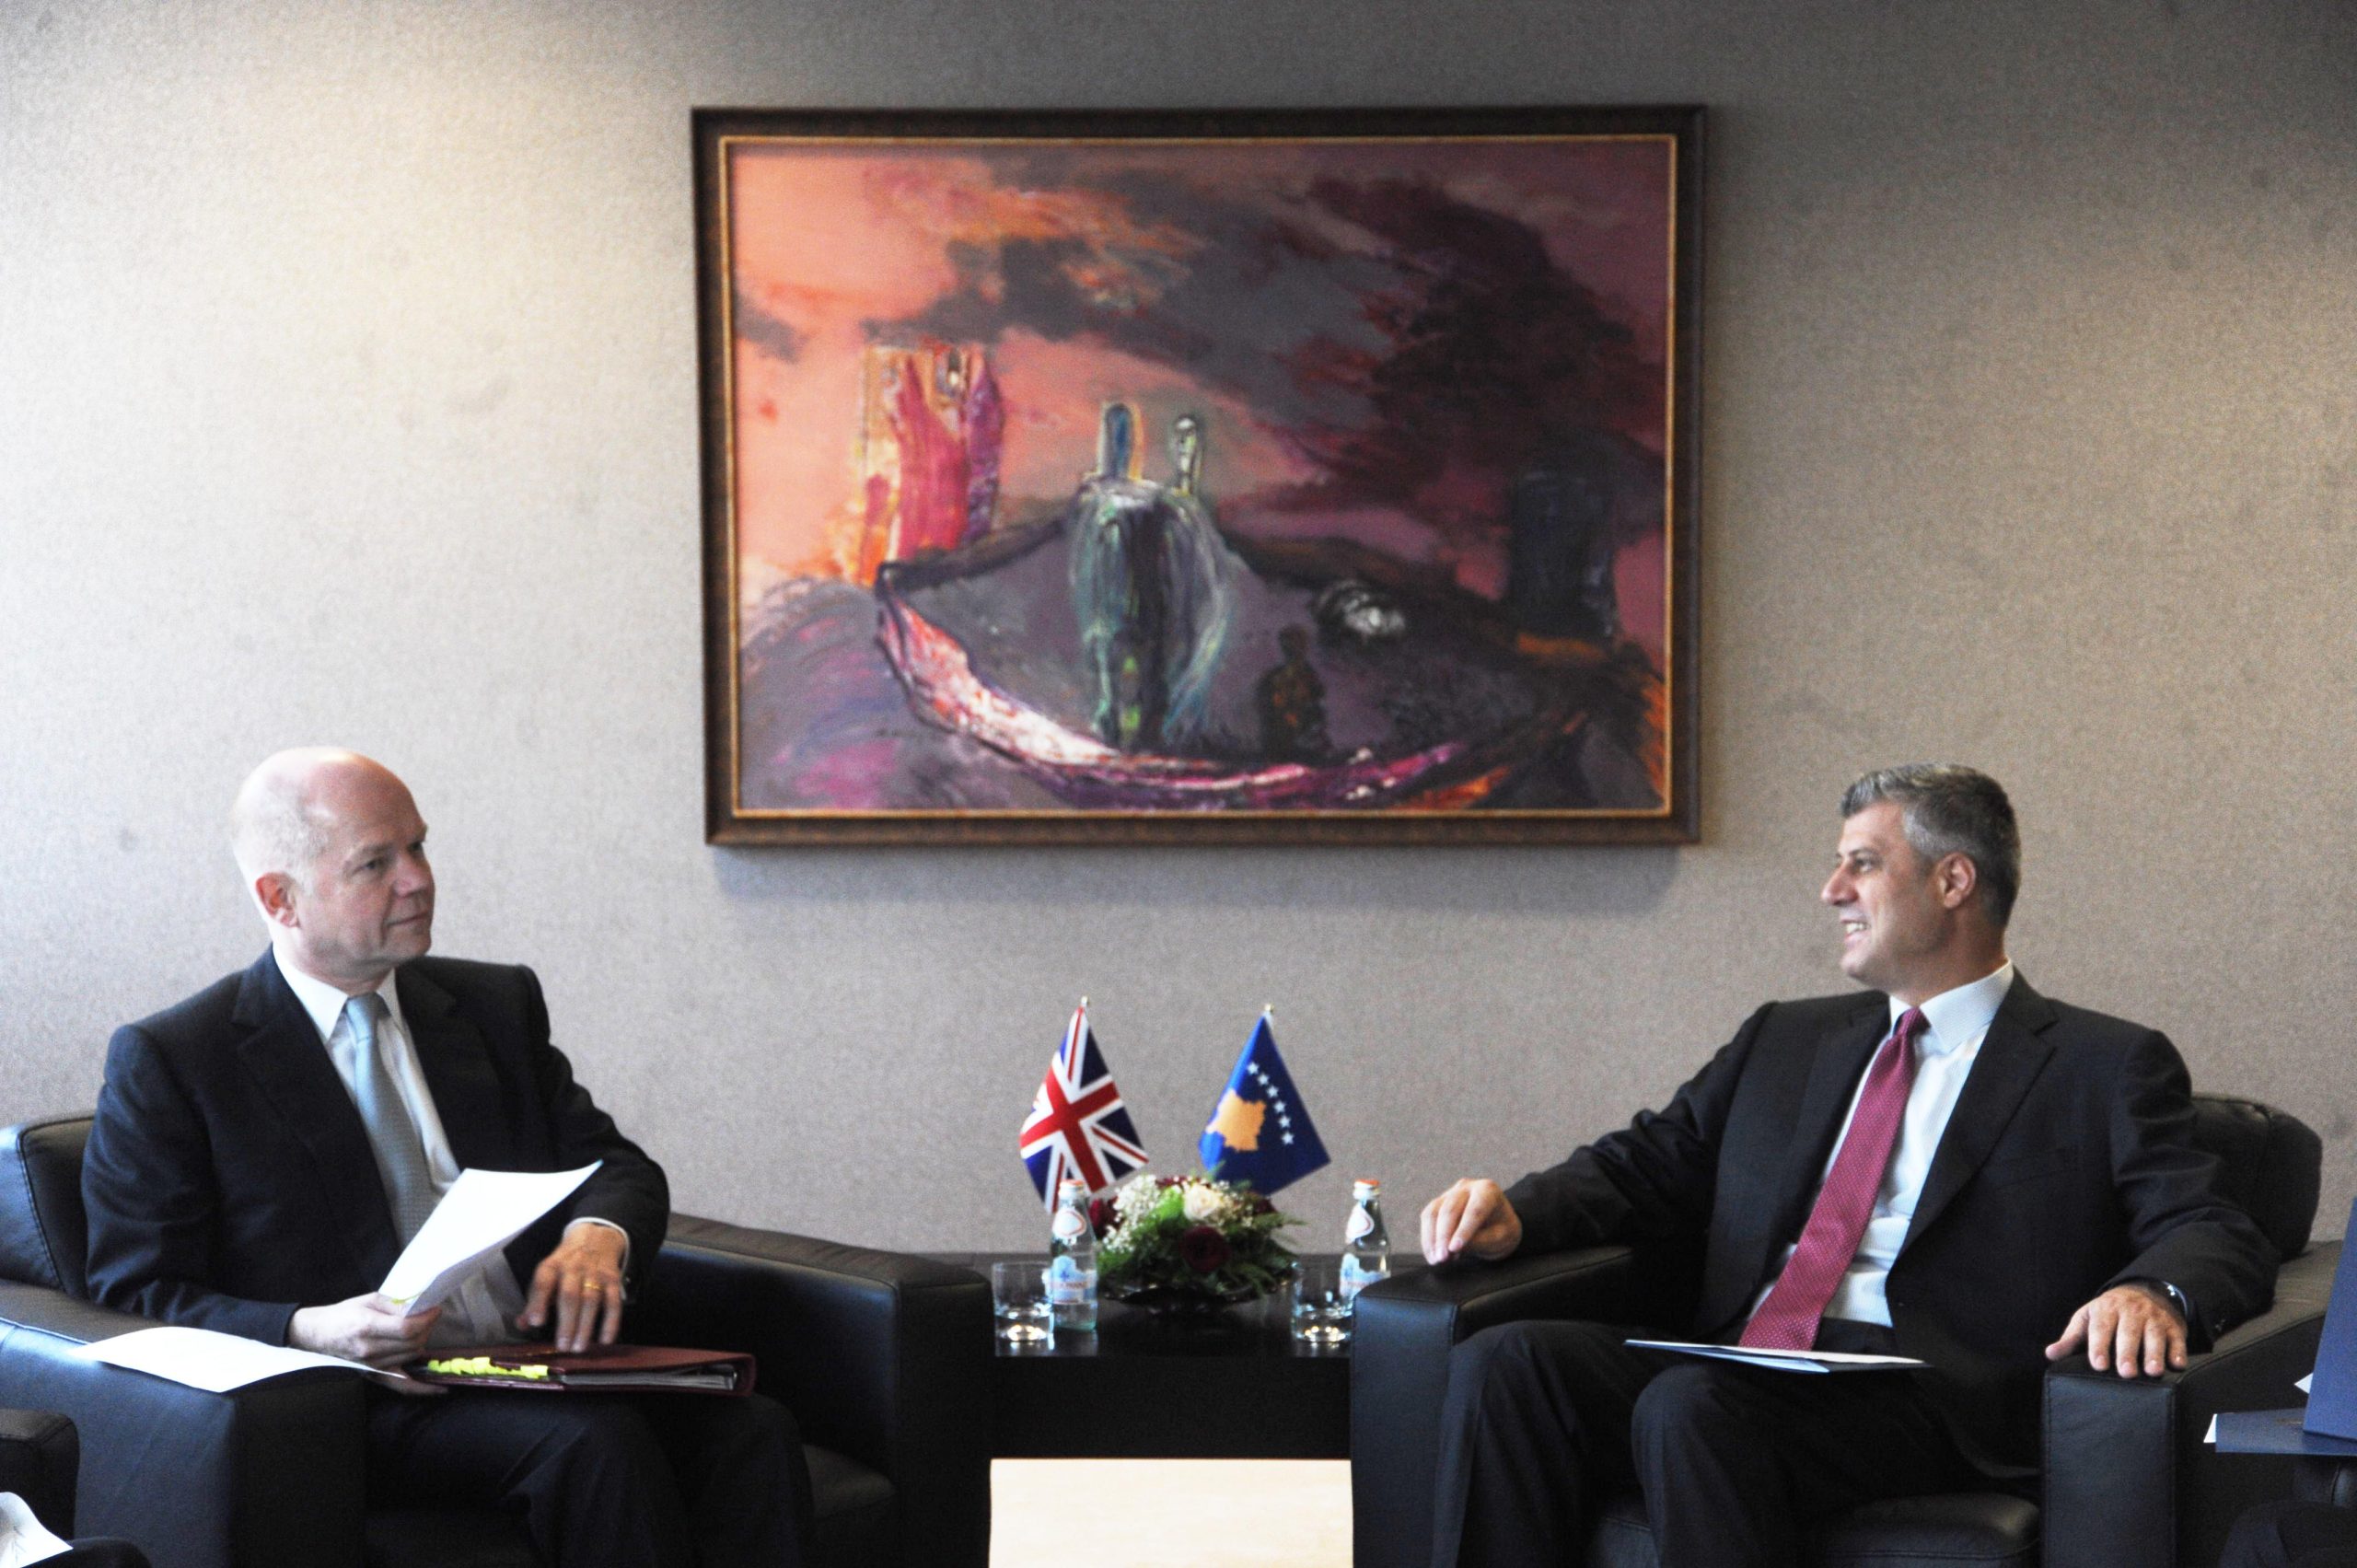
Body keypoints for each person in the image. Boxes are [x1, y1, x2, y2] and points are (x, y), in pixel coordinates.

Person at [1418, 763, 2276, 1568]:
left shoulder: (2102, 1063)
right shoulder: (1785, 1038)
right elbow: (1646, 1163)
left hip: (1933, 1395)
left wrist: (2152, 1290)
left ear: (1953, 880)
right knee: (1509, 1362)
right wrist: (1518, 1211)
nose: (1832, 890)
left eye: (1862, 864)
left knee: (1691, 1406)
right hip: (1747, 1358)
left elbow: (2211, 1224)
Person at [80, 749, 813, 1568]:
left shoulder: (493, 1005)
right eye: (375, 863)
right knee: (591, 1444)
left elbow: (615, 1165)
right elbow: (133, 1288)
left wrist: (597, 1236)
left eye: (419, 846)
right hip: (363, 1398)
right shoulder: (178, 1059)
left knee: (752, 1428)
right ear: (279, 897)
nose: (418, 880)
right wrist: (308, 1329)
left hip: (532, 1359)